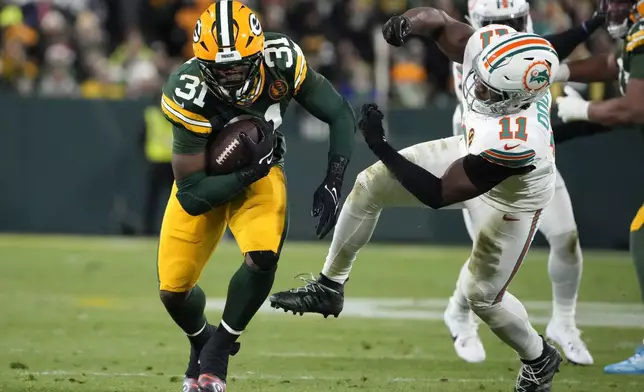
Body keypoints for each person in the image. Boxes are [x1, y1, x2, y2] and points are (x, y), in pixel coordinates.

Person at [273, 7, 564, 391]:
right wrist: (407, 24)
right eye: (479, 78)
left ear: (517, 97)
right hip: (472, 152)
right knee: (370, 184)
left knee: (483, 298)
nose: (475, 87)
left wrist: (379, 144)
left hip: (513, 199)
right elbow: (440, 22)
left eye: (489, 89)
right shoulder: (498, 52)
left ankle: (539, 358)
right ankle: (329, 286)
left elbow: (437, 194)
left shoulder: (518, 140)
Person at [157, 1, 356, 391]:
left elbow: (338, 113)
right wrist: (250, 168)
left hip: (260, 175)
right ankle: (203, 342)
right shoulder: (187, 90)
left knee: (263, 255)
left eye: (238, 65)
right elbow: (194, 194)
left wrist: (334, 179)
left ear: (259, 52)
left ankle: (217, 355)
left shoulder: (280, 59)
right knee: (173, 291)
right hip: (209, 178)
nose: (231, 77)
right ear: (201, 64)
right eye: (221, 68)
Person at [446, 0, 603, 365]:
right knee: (488, 256)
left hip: (531, 158)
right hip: (487, 158)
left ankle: (564, 323)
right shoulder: (474, 58)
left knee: (566, 238)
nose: (511, 29)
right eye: (500, 23)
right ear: (476, 23)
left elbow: (545, 67)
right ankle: (458, 312)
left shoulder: (527, 54)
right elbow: (530, 73)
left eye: (514, 21)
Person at [554, 0, 644, 375]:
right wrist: (557, 69)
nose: (610, 9)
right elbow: (612, 65)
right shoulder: (632, 44)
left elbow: (635, 109)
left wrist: (584, 111)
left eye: (619, 1)